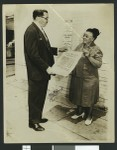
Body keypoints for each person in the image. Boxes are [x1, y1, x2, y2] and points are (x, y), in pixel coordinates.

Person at [24, 9, 60, 131]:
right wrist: (47, 67)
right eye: (46, 18)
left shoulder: (39, 29)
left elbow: (44, 49)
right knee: (35, 97)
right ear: (38, 17)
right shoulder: (31, 30)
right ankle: (33, 122)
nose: (47, 20)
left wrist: (58, 50)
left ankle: (37, 117)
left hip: (42, 72)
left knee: (41, 96)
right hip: (37, 72)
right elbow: (33, 54)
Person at [69, 28, 103, 125]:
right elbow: (73, 56)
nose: (84, 37)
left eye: (86, 36)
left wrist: (89, 56)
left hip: (90, 78)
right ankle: (79, 112)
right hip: (78, 76)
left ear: (92, 39)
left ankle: (89, 115)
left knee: (89, 98)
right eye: (84, 35)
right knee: (78, 95)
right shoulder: (80, 46)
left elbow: (98, 64)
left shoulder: (96, 49)